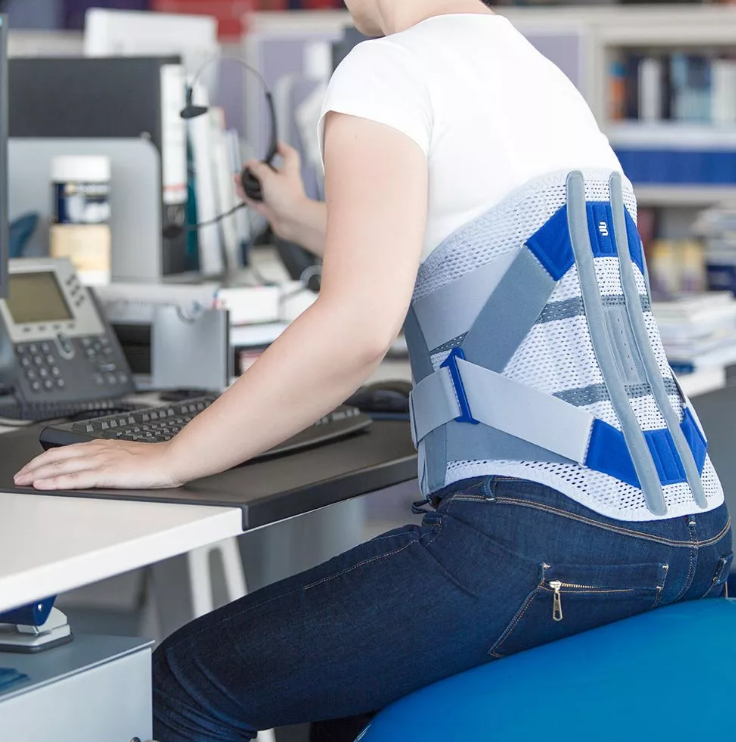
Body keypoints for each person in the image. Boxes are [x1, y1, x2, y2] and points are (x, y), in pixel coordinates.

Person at [15, 2, 732, 741]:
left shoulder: (385, 69)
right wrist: (297, 215)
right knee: (339, 698)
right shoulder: (535, 73)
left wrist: (173, 456)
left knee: (184, 686)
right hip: (697, 536)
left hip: (544, 541)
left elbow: (357, 329)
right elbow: (452, 237)